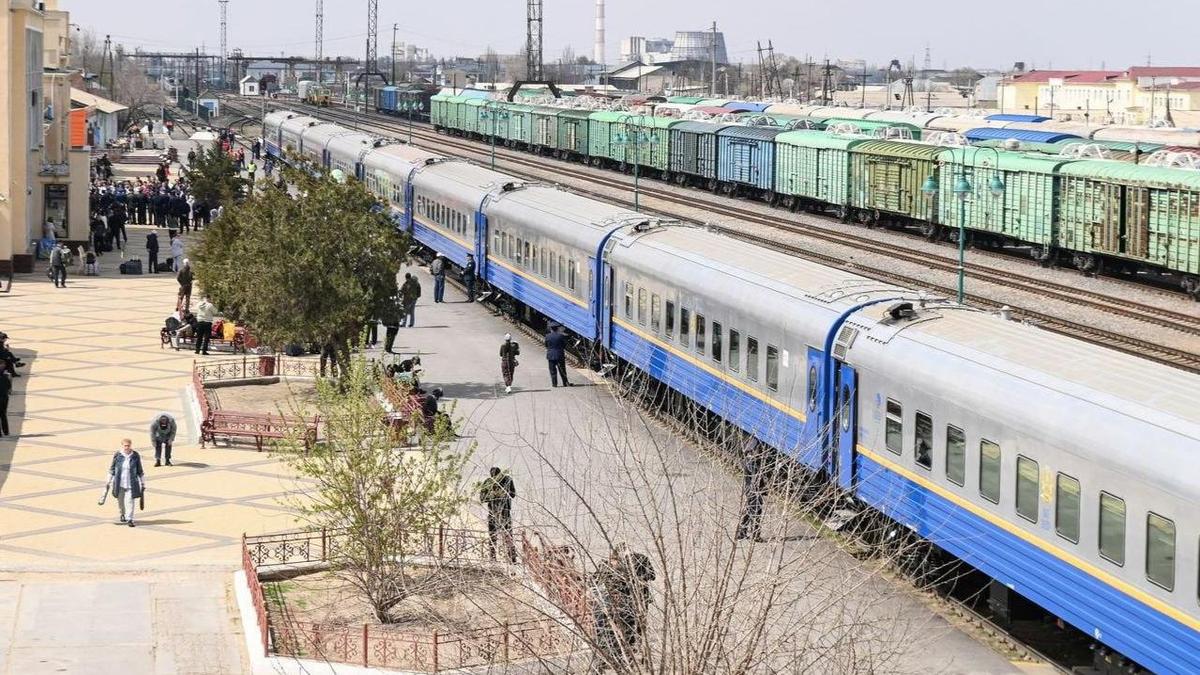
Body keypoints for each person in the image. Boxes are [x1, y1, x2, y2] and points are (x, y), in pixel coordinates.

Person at [478, 467, 517, 563]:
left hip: (505, 512)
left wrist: (503, 493)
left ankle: (512, 558)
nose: (495, 479)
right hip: (492, 512)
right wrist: (492, 495)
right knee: (492, 535)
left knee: (508, 535)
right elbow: (482, 498)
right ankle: (492, 557)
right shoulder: (488, 482)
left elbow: (513, 494)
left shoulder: (507, 480)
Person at [735, 438, 771, 542]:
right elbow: (756, 477)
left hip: (749, 489)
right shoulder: (753, 462)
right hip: (754, 490)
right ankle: (755, 535)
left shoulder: (747, 460)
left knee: (750, 510)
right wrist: (761, 489)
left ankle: (742, 532)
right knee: (756, 511)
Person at [106, 439, 145, 527]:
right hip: (119, 483)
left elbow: (140, 470)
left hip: (131, 484)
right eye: (125, 446)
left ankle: (130, 519)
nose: (127, 447)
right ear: (122, 446)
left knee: (130, 501)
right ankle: (122, 514)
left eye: (128, 445)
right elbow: (112, 468)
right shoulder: (118, 455)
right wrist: (108, 480)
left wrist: (143, 482)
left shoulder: (135, 455)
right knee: (121, 502)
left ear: (131, 445)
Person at [0, 371, 11, 437]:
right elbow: (9, 387)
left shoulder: (4, 377)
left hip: (3, 397)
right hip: (4, 397)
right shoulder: (5, 377)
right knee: (3, 414)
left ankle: (4, 432)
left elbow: (9, 387)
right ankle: (6, 431)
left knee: (3, 414)